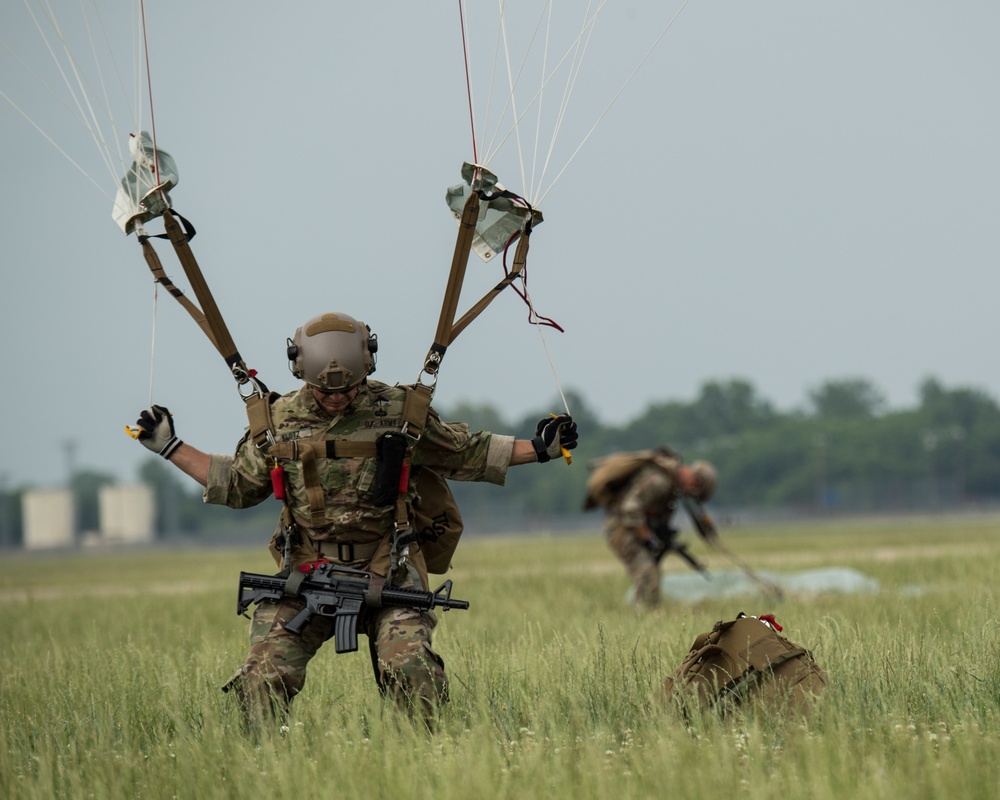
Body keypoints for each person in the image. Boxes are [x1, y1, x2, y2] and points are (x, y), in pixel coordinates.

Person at [132, 311, 578, 729]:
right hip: (307, 577)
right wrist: (171, 447)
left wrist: (541, 448)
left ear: (367, 365)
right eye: (325, 391)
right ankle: (261, 768)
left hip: (392, 574)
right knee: (262, 675)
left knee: (411, 669)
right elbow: (237, 484)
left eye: (348, 387)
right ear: (302, 373)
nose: (337, 397)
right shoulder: (277, 420)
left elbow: (468, 455)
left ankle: (430, 764)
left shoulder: (401, 412)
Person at [584, 448, 716, 610]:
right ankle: (644, 616)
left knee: (650, 573)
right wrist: (648, 538)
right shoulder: (659, 481)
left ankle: (646, 613)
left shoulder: (670, 485)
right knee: (647, 573)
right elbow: (630, 508)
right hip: (620, 528)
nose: (689, 493)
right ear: (694, 482)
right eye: (693, 492)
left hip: (629, 527)